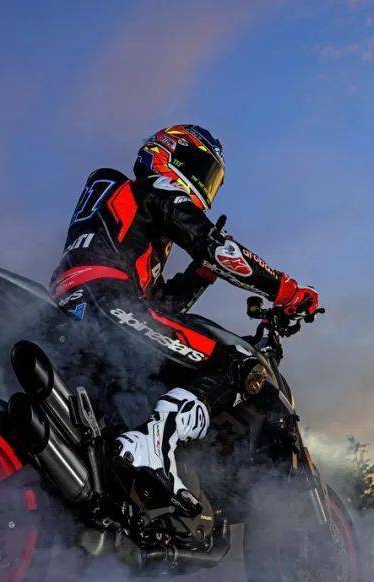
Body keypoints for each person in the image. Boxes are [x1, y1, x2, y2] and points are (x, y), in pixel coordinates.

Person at [48, 124, 319, 515]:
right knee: (238, 363)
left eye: (211, 178)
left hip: (86, 304)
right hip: (107, 300)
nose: (203, 185)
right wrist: (285, 290)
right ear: (169, 153)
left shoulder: (126, 217)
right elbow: (218, 249)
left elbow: (164, 307)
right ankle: (152, 445)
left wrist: (201, 274)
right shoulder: (153, 189)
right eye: (200, 168)